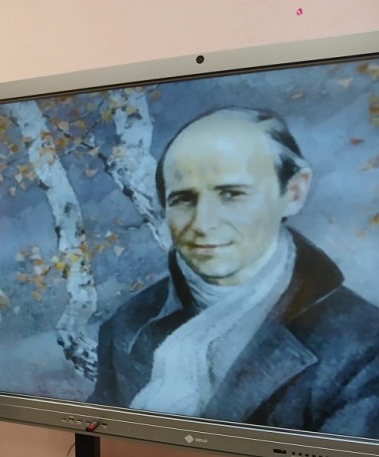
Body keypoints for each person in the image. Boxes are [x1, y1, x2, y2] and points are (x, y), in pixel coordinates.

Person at [89, 106, 379, 436]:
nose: (203, 223)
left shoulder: (363, 348)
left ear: (294, 192)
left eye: (231, 194)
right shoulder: (128, 323)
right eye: (183, 199)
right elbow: (105, 437)